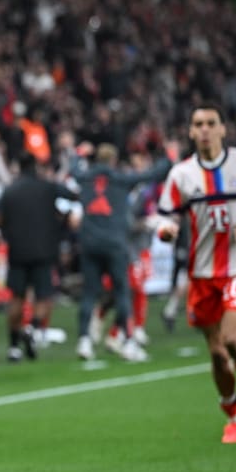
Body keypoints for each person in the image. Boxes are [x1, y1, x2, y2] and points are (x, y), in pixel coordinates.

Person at [155, 104, 236, 444]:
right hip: (202, 274)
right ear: (190, 131)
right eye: (198, 124)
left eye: (212, 123)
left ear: (224, 129)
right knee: (215, 353)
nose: (205, 130)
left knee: (231, 338)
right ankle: (233, 414)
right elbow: (164, 215)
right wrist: (166, 229)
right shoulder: (181, 174)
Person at [70, 142, 170, 362]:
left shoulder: (85, 178)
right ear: (114, 160)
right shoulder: (121, 179)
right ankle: (127, 341)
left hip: (89, 242)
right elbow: (152, 174)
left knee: (89, 293)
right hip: (115, 243)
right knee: (122, 292)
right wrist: (168, 157)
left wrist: (77, 154)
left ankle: (85, 340)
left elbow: (73, 169)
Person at [0, 152, 77, 361]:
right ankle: (31, 327)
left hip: (18, 251)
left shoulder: (10, 191)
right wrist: (61, 221)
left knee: (16, 297)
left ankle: (13, 346)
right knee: (44, 297)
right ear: (36, 166)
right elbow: (73, 195)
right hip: (44, 250)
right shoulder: (48, 187)